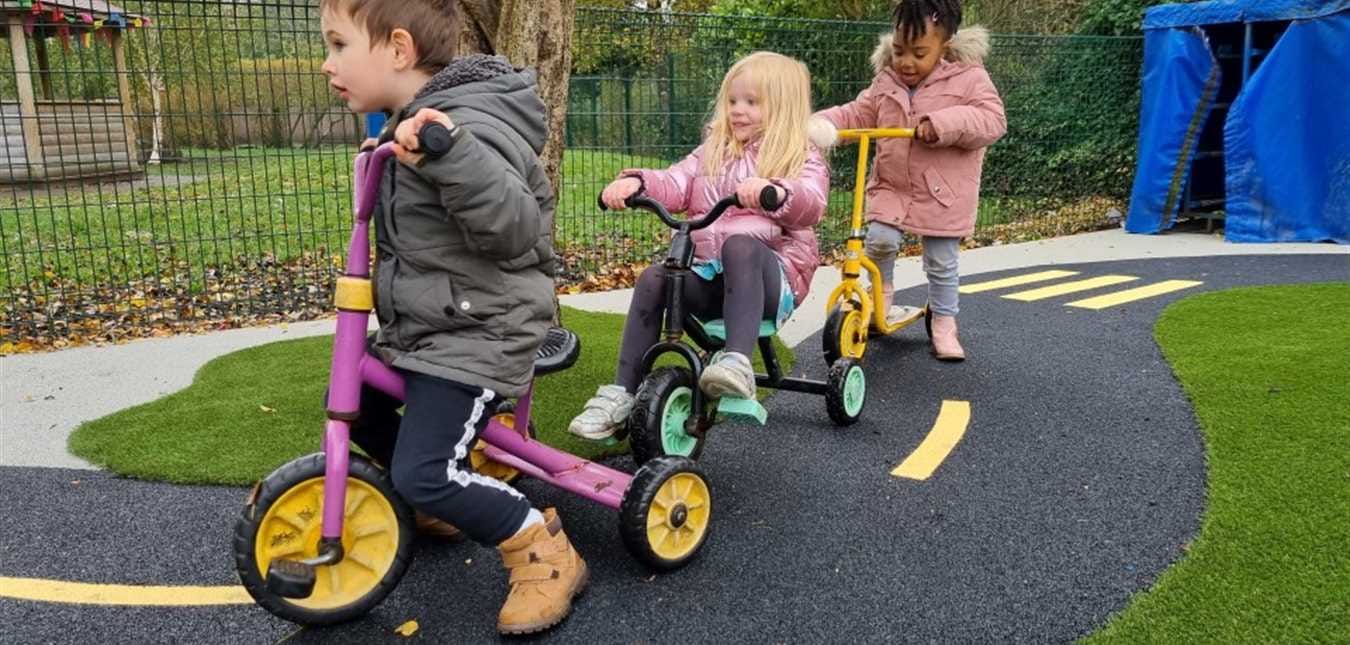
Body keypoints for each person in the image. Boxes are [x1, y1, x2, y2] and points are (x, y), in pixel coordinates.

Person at [319, 0, 582, 634]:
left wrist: (449, 152)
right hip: (434, 323)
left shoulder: (467, 126)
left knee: (425, 469)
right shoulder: (404, 125)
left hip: (482, 329)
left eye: (337, 45)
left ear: (399, 50)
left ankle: (540, 545)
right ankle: (436, 497)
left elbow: (518, 229)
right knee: (354, 398)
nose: (327, 65)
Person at [569, 52, 830, 440]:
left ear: (783, 107)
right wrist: (638, 184)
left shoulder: (799, 156)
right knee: (656, 278)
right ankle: (622, 392)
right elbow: (675, 180)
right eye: (732, 101)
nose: (738, 111)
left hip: (773, 283)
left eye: (752, 102)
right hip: (713, 278)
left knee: (740, 245)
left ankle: (738, 362)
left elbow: (811, 201)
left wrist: (775, 192)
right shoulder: (713, 150)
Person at [813, 0, 1007, 361]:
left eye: (919, 53)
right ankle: (881, 294)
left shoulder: (969, 78)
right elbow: (859, 112)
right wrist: (821, 126)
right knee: (879, 241)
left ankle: (944, 322)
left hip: (942, 191)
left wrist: (943, 124)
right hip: (893, 184)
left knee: (941, 260)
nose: (906, 62)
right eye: (899, 50)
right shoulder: (886, 79)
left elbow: (992, 121)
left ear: (944, 46)